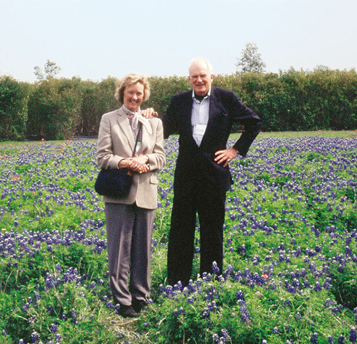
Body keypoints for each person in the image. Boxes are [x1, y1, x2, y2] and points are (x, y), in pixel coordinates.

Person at [160, 58, 262, 286]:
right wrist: (149, 118)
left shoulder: (226, 99)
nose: (199, 80)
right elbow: (163, 129)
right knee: (180, 230)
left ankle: (210, 283)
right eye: (194, 76)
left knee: (212, 231)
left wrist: (235, 150)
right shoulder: (179, 102)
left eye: (203, 75)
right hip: (186, 176)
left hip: (214, 175)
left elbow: (254, 122)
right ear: (189, 79)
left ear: (211, 77)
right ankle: (178, 282)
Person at [96, 73, 166, 317]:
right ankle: (123, 300)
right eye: (130, 93)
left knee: (143, 248)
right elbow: (102, 156)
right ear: (122, 94)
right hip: (118, 190)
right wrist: (126, 162)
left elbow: (161, 157)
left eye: (139, 93)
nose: (135, 97)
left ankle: (141, 295)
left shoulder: (154, 123)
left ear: (144, 95)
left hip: (146, 190)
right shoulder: (109, 120)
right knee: (119, 249)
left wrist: (145, 159)